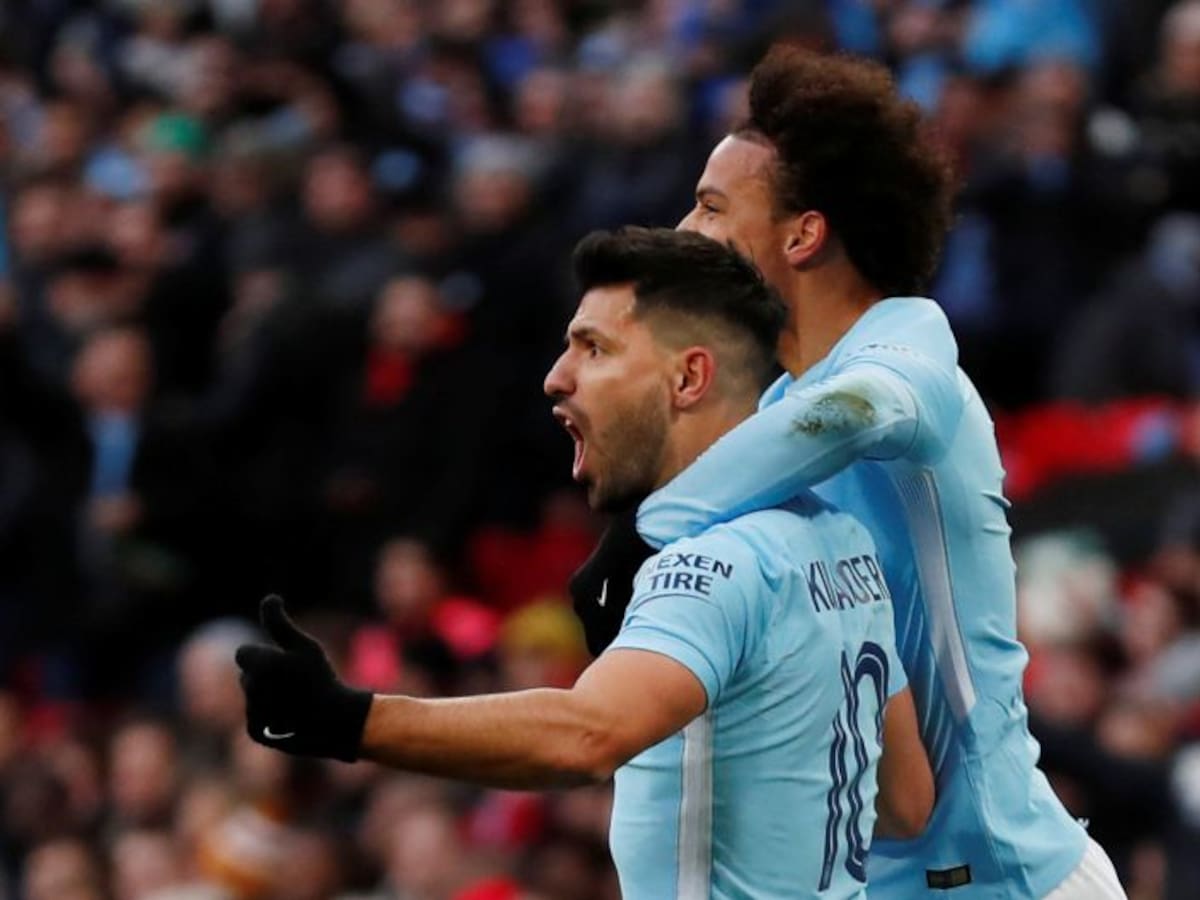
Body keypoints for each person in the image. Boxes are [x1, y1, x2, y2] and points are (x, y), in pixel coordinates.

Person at [572, 47, 1126, 899]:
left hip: (1009, 878)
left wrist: (645, 530)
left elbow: (857, 412)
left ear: (803, 234)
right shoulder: (778, 408)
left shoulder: (907, 350)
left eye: (712, 207)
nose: (685, 230)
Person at [236, 227, 932, 898]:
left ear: (689, 376)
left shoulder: (713, 562)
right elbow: (904, 801)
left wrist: (348, 720)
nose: (555, 378)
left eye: (593, 348)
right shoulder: (839, 540)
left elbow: (586, 735)